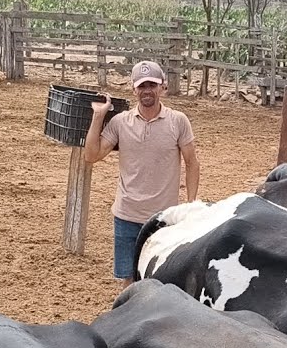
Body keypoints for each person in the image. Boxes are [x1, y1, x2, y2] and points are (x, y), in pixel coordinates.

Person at [84, 60, 200, 288]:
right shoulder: (120, 122)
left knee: (161, 278)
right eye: (142, 86)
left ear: (162, 87)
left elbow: (192, 163)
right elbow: (92, 155)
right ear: (134, 89)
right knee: (128, 279)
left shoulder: (178, 121)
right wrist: (98, 116)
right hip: (126, 214)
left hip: (163, 218)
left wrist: (191, 205)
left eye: (152, 85)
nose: (147, 91)